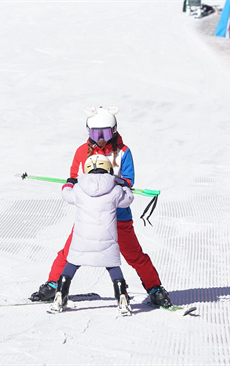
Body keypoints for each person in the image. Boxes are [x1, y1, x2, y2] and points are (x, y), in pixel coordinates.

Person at [31, 106, 173, 308]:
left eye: (105, 133)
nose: (100, 139)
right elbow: (75, 177)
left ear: (114, 131)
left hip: (118, 216)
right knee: (69, 251)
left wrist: (113, 181)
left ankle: (155, 289)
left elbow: (128, 181)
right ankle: (54, 284)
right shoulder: (82, 151)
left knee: (134, 255)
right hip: (89, 215)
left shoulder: (123, 152)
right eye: (95, 133)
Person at [48, 155, 134, 316]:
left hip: (82, 239)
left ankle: (60, 295)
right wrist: (124, 186)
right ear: (108, 169)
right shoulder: (115, 189)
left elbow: (66, 195)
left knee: (72, 263)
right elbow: (128, 199)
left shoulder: (79, 189)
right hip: (106, 240)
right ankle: (122, 298)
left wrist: (69, 183)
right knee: (112, 266)